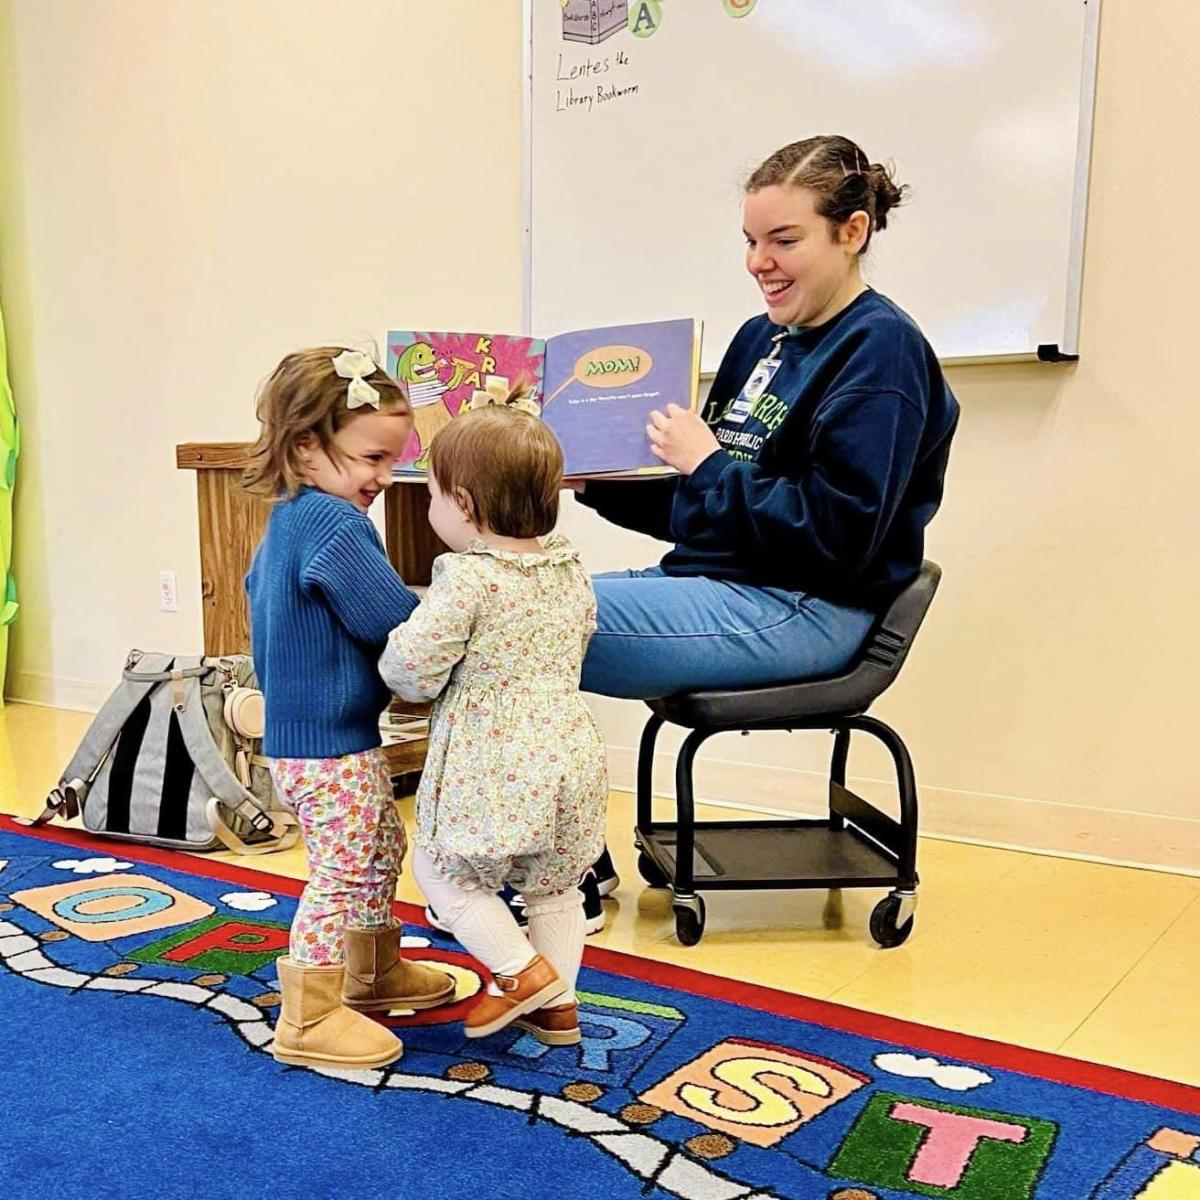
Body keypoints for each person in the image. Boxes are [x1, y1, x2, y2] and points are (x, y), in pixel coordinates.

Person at [575, 134, 959, 702]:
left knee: (505, 621)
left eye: (784, 240)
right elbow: (705, 512)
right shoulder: (760, 337)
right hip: (712, 582)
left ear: (852, 232)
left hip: (806, 604)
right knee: (489, 607)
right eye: (752, 241)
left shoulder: (882, 350)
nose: (759, 262)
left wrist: (707, 465)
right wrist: (594, 479)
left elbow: (836, 539)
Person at [244, 346, 455, 1071]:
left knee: (376, 848)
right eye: (371, 458)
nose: (382, 477)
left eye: (391, 461)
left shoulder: (290, 518)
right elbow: (390, 620)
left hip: (320, 738)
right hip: (326, 743)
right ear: (308, 445)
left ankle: (370, 973)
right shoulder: (336, 527)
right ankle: (309, 1016)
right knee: (341, 867)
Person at [380, 406, 607, 1047]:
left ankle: (520, 973)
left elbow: (411, 671)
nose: (429, 509)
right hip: (573, 754)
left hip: (494, 762)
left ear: (464, 504)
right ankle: (558, 1010)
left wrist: (395, 654)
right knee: (556, 887)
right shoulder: (569, 568)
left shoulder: (469, 579)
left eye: (429, 496)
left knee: (443, 873)